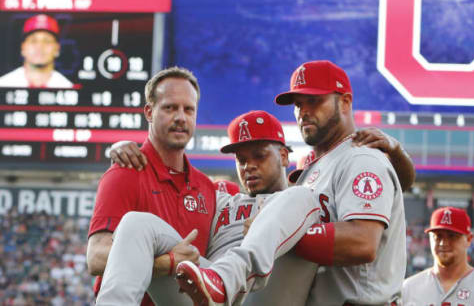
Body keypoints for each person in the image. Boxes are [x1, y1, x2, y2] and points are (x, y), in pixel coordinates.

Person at [107, 110, 414, 306]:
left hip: (265, 297)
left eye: (259, 155)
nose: (249, 166)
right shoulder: (218, 194)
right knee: (137, 223)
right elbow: (169, 177)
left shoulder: (308, 195)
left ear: (283, 156)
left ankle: (228, 277)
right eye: (241, 159)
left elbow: (393, 189)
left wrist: (396, 152)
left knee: (298, 198)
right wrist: (124, 150)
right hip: (204, 296)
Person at [175, 60, 408, 306]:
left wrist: (277, 234)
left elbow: (363, 242)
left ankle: (228, 276)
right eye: (298, 104)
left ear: (345, 102)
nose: (303, 111)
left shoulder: (360, 157)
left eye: (314, 100)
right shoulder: (314, 168)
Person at [86, 66, 217, 306]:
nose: (180, 117)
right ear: (149, 111)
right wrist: (166, 263)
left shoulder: (207, 187)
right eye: (170, 107)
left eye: (188, 109)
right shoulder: (125, 173)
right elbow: (96, 257)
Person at [402, 207, 474, 305]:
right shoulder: (409, 288)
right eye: (438, 236)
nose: (443, 243)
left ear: (469, 239)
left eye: (452, 236)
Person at [0, 14, 73, 88]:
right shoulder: (3, 85)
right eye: (33, 41)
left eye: (47, 41)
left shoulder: (67, 87)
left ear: (57, 49)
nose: (40, 46)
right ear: (23, 48)